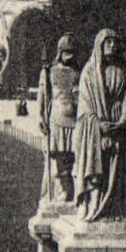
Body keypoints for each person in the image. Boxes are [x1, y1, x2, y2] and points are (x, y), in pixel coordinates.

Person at [72, 29, 126, 223]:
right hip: (96, 127)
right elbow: (84, 104)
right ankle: (94, 203)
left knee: (117, 171)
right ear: (99, 45)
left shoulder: (122, 71)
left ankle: (116, 210)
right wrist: (99, 124)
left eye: (115, 42)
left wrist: (122, 121)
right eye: (107, 42)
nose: (112, 46)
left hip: (118, 126)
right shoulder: (89, 72)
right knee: (96, 166)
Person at [37, 35, 79, 201]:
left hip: (74, 119)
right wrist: (40, 117)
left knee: (71, 157)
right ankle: (59, 191)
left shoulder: (77, 73)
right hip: (56, 118)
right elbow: (42, 96)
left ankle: (69, 191)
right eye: (67, 52)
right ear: (60, 52)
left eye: (72, 52)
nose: (70, 56)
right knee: (57, 158)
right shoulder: (49, 72)